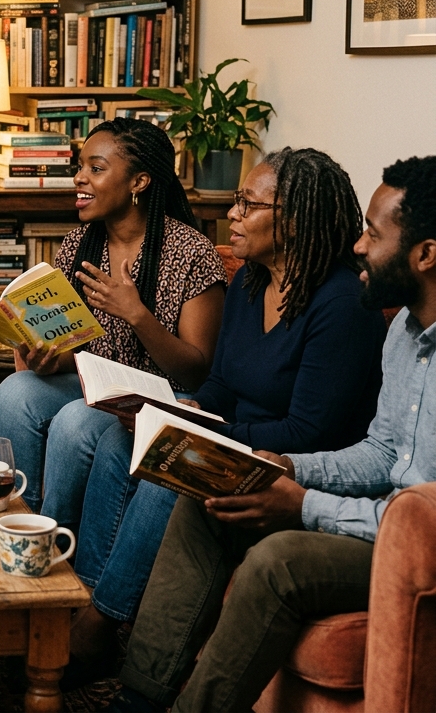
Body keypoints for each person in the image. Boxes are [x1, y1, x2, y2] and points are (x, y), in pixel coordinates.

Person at [106, 155, 436, 713]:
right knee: (205, 504)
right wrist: (284, 467)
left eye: (374, 235)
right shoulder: (405, 328)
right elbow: (382, 451)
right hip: (380, 509)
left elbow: (406, 512)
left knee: (276, 561)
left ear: (426, 254)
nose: (358, 246)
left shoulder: (343, 307)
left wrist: (302, 504)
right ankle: (137, 696)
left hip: (417, 545)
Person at [51, 148, 386, 674]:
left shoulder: (343, 305)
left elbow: (312, 429)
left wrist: (203, 428)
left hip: (286, 458)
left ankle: (99, 622)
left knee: (176, 463)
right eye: (235, 201)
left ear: (294, 221)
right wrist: (182, 408)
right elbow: (222, 383)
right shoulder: (252, 283)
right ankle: (87, 597)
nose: (231, 214)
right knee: (123, 439)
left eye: (247, 205)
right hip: (234, 434)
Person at [0, 118, 227, 512]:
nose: (80, 179)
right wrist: (48, 360)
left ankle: (50, 540)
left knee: (74, 423)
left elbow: (197, 372)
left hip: (168, 395)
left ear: (139, 182)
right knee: (15, 394)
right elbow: (77, 350)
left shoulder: (191, 252)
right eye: (80, 167)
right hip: (99, 388)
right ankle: (14, 519)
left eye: (96, 169)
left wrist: (137, 315)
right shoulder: (79, 245)